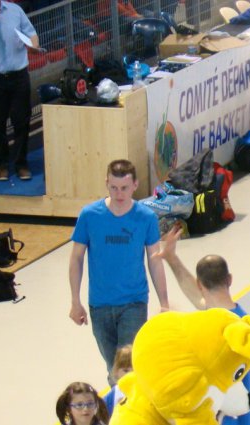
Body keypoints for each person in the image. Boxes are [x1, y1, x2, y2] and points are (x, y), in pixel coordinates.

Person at [156, 228, 250, 425]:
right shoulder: (242, 321)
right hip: (243, 413)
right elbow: (198, 297)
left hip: (220, 415)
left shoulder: (207, 325)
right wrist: (172, 259)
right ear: (229, 279)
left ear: (201, 284)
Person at [69, 159, 169, 382]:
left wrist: (164, 303)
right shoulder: (89, 215)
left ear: (135, 185)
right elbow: (76, 258)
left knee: (128, 367)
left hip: (134, 302)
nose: (119, 193)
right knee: (113, 368)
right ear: (106, 183)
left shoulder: (146, 217)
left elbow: (155, 260)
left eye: (124, 188)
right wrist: (75, 301)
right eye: (113, 187)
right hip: (100, 304)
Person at [0, 0, 40, 181]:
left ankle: (21, 163)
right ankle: (2, 165)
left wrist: (34, 46)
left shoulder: (15, 10)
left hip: (19, 75)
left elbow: (32, 34)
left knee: (22, 121)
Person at [103, 345, 133, 417]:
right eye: (126, 371)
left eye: (134, 371)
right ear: (116, 371)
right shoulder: (109, 398)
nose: (130, 375)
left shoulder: (147, 393)